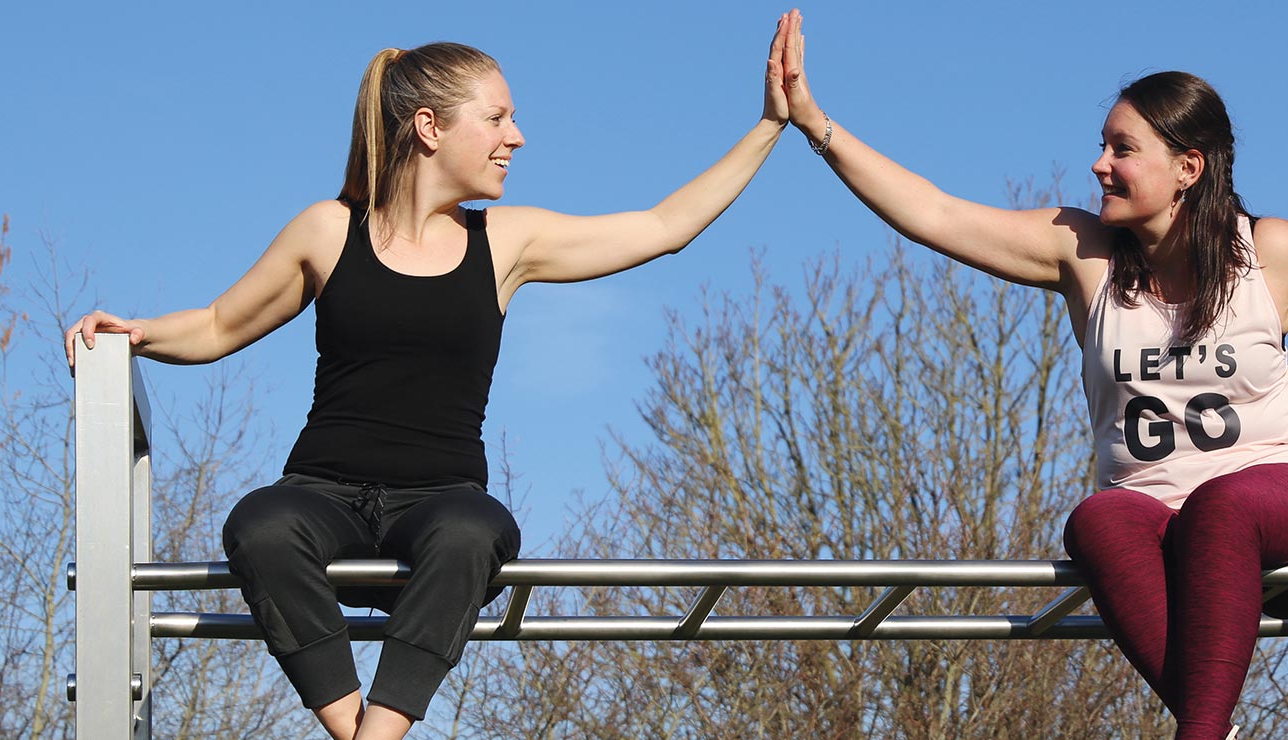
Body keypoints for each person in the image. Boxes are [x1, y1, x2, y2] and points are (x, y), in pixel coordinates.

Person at [770, 11, 1288, 739]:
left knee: (1221, 505)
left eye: (1122, 149)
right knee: (1097, 519)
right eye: (1102, 145)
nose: (1099, 163)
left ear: (1187, 168)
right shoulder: (1082, 254)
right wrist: (815, 124)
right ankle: (1213, 727)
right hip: (1158, 533)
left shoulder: (1270, 252)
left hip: (1285, 515)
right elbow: (934, 213)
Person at [65, 19, 796, 740]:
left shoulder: (507, 242)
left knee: (474, 530)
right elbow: (221, 323)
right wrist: (137, 333)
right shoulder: (329, 230)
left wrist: (769, 126)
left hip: (440, 506)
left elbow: (665, 226)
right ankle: (357, 730)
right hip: (322, 496)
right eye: (497, 118)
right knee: (260, 525)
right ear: (429, 127)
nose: (517, 137)